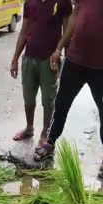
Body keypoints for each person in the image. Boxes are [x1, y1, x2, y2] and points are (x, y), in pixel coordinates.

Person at [36, 0, 103, 178]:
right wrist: (58, 49)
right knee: (61, 103)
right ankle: (49, 142)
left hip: (100, 68)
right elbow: (74, 17)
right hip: (75, 60)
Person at [10, 0, 72, 146]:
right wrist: (15, 59)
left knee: (49, 100)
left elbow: (67, 32)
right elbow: (24, 32)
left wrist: (65, 60)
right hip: (29, 58)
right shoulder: (30, 2)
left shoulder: (63, 2)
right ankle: (29, 128)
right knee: (28, 97)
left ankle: (45, 132)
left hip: (50, 60)